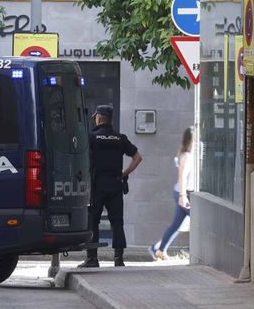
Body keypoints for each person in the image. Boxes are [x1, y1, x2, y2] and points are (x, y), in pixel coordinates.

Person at [78, 104, 142, 268]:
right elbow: (137, 158)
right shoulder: (120, 138)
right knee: (117, 222)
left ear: (99, 118)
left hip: (97, 185)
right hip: (115, 185)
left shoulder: (92, 137)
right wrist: (124, 174)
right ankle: (118, 259)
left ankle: (92, 259)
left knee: (93, 221)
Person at [151, 128, 196, 261]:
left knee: (176, 225)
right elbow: (182, 176)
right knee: (198, 221)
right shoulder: (187, 156)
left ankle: (159, 249)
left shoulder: (185, 154)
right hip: (184, 193)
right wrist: (183, 196)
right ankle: (159, 249)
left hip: (182, 192)